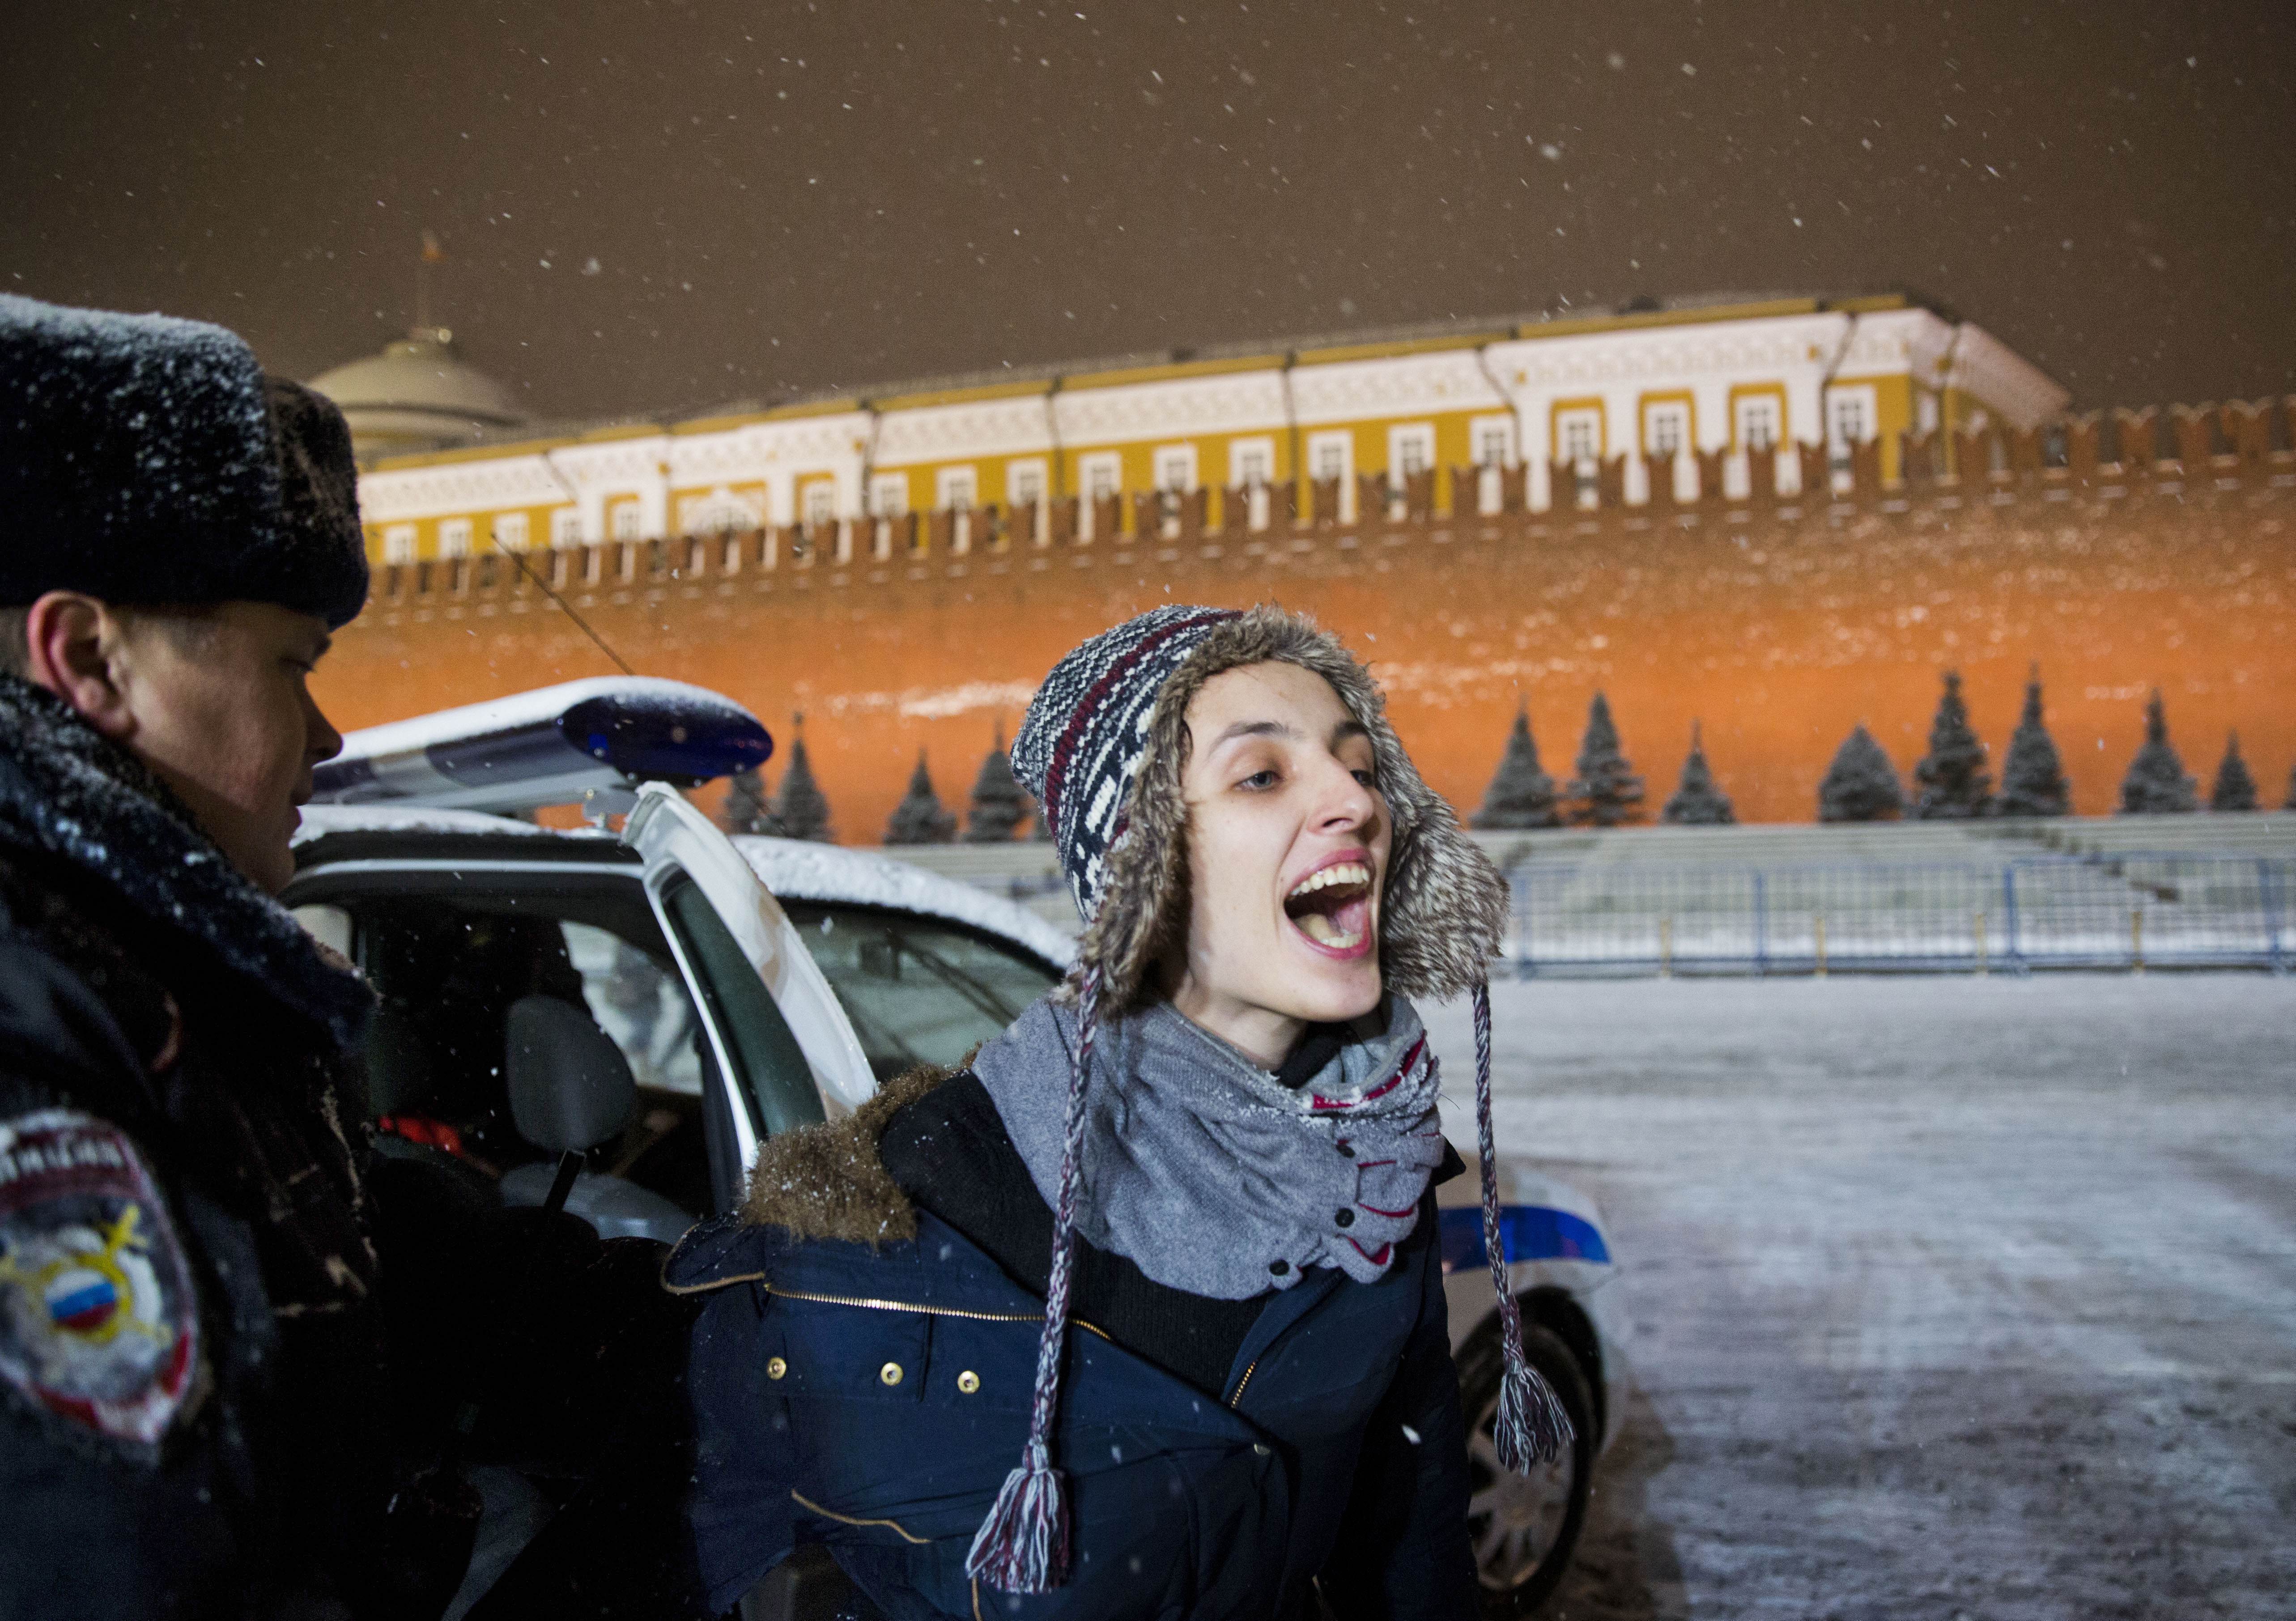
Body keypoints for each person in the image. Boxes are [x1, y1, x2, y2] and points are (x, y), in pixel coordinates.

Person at [673, 604, 1572, 1618]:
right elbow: (759, 1562)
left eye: (1362, 768)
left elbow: (1408, 1546)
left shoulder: (1377, 1167)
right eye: (1262, 775)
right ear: (1140, 863)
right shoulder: (904, 1214)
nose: (1358, 804)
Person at [0, 294, 473, 1617]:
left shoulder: (154, 979)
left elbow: (336, 1260)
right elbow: (113, 1562)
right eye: (290, 664)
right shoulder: (40, 1023)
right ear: (91, 658)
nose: (326, 737)